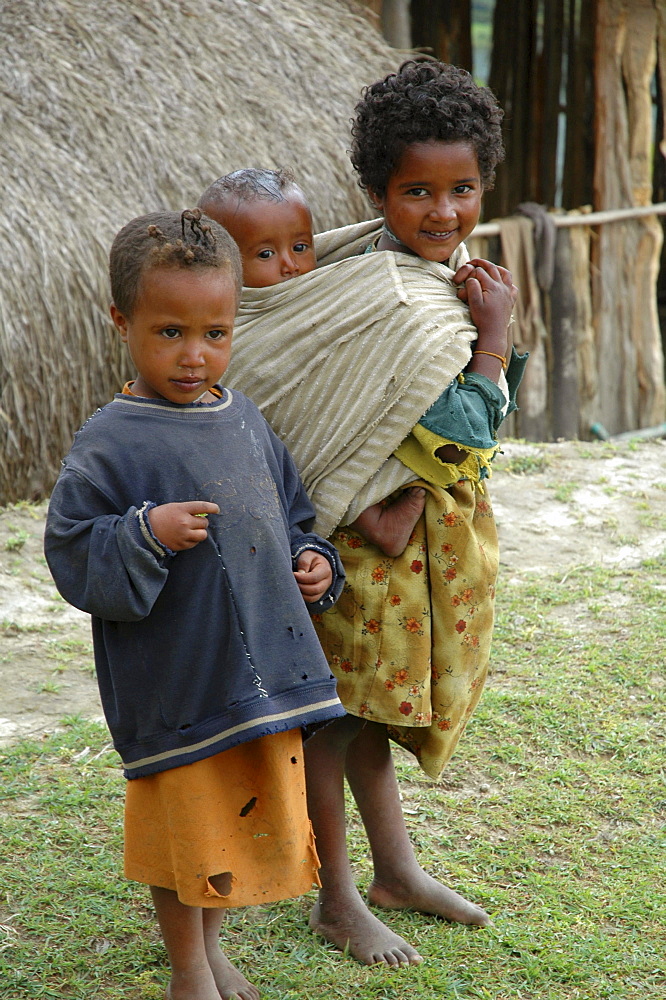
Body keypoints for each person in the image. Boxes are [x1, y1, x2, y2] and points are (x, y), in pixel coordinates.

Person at [220, 60, 527, 968]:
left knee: (366, 718)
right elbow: (461, 435)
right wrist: (498, 340)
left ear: (486, 184)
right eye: (417, 191)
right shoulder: (386, 293)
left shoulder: (423, 274)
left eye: (462, 189)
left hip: (389, 548)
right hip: (347, 552)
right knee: (336, 720)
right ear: (376, 191)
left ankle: (392, 871)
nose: (443, 212)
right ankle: (340, 898)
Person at [44, 208, 346, 1000]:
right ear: (122, 321)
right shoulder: (112, 441)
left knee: (233, 825)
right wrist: (145, 530)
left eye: (215, 332)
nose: (194, 354)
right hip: (177, 683)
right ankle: (188, 973)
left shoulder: (243, 417)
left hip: (258, 678)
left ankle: (213, 952)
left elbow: (292, 516)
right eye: (170, 332)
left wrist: (314, 562)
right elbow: (73, 550)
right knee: (187, 836)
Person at [199, 167, 429, 557]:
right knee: (295, 447)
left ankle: (373, 515)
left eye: (301, 247)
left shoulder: (325, 289)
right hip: (270, 456)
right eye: (266, 254)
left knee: (335, 427)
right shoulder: (225, 320)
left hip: (339, 429)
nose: (290, 264)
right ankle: (373, 521)